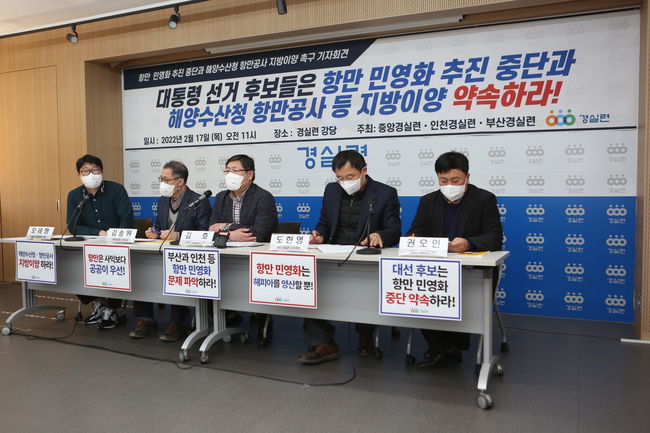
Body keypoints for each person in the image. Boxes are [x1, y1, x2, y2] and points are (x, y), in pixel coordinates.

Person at [300, 150, 401, 364]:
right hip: (332, 255)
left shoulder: (385, 193)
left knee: (364, 289)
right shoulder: (332, 190)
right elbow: (324, 223)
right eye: (340, 178)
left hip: (365, 258)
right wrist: (319, 235)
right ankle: (323, 343)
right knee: (309, 285)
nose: (345, 182)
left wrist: (380, 235)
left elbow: (394, 230)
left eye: (350, 177)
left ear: (363, 171)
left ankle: (365, 336)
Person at [406, 151, 502, 368]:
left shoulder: (484, 199)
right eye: (443, 180)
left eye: (455, 180)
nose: (449, 185)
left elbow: (494, 238)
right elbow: (414, 232)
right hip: (435, 271)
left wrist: (468, 243)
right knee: (417, 293)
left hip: (472, 271)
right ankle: (443, 348)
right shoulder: (428, 201)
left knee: (460, 298)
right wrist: (414, 240)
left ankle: (451, 347)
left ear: (467, 177)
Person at [129, 161, 211, 341]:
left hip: (187, 258)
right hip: (162, 252)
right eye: (161, 179)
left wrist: (178, 236)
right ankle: (146, 318)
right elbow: (159, 227)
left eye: (166, 180)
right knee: (141, 267)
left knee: (175, 271)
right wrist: (154, 232)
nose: (162, 183)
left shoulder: (199, 202)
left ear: (179, 181)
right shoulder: (162, 200)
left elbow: (205, 234)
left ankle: (178, 321)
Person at [208, 154, 278, 341]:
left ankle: (262, 317)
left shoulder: (263, 197)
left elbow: (258, 233)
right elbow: (210, 228)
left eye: (235, 170)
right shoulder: (221, 197)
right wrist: (232, 233)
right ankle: (230, 315)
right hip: (226, 257)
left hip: (256, 258)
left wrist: (224, 228)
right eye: (227, 171)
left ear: (249, 175)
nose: (229, 174)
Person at [66, 154, 133, 330]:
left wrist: (117, 238)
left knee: (115, 266)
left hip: (117, 246)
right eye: (85, 171)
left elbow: (126, 219)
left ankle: (111, 308)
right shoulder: (74, 195)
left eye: (95, 170)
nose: (90, 174)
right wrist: (98, 233)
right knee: (73, 267)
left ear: (102, 171)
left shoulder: (116, 190)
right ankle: (99, 304)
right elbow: (72, 226)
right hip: (89, 247)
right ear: (79, 174)